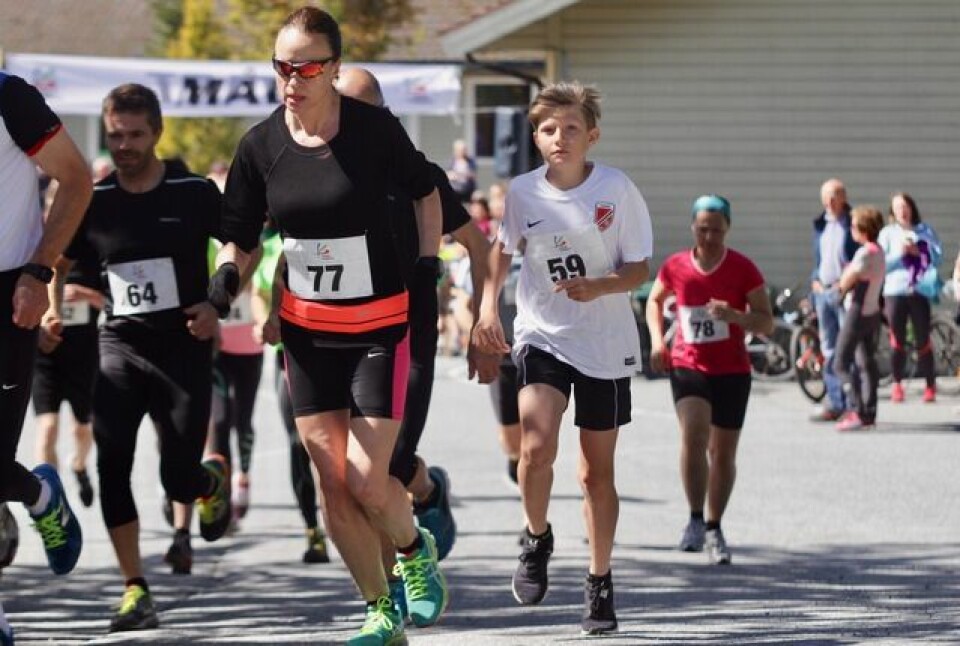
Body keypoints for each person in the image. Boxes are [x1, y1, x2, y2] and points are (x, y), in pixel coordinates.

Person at [214, 9, 448, 644]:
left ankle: (412, 546)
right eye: (283, 66)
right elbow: (239, 237)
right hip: (308, 336)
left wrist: (426, 266)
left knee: (372, 481)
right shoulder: (261, 146)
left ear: (335, 69)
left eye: (308, 66)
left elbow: (427, 193)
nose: (294, 78)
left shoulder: (373, 132)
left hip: (378, 328)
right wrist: (226, 278)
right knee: (334, 490)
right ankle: (380, 610)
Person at [43, 83, 232, 632]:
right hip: (118, 347)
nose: (123, 145)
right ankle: (135, 588)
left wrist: (217, 301)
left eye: (135, 135)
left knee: (177, 478)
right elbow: (58, 259)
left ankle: (207, 484)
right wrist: (54, 312)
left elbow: (234, 245)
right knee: (112, 466)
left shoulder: (193, 191)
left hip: (183, 349)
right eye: (114, 135)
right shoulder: (95, 199)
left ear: (158, 133)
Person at [473, 81, 652, 635]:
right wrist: (486, 309)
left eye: (571, 128)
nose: (560, 137)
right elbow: (501, 253)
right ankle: (536, 536)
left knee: (595, 473)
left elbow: (639, 268)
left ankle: (599, 580)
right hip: (542, 333)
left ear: (591, 135)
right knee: (535, 442)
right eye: (548, 129)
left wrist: (601, 286)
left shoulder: (617, 190)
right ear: (536, 137)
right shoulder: (523, 193)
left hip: (603, 342)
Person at [335, 65, 500, 617]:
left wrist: (482, 322)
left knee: (386, 465)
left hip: (410, 337)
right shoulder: (323, 172)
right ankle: (390, 591)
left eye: (363, 112)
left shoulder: (416, 174)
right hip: (346, 341)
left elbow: (480, 249)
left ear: (385, 116)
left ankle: (425, 494)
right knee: (363, 475)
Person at [0, 71, 91, 646]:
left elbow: (76, 178)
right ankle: (36, 494)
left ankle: (41, 496)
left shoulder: (9, 97)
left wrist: (39, 271)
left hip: (9, 292)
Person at [647, 195, 774, 566]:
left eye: (716, 230)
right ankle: (695, 519)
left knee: (722, 452)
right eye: (702, 229)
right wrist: (658, 341)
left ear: (727, 229)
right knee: (694, 434)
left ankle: (715, 525)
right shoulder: (676, 266)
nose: (709, 237)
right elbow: (654, 301)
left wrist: (735, 316)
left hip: (732, 370)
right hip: (689, 365)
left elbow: (766, 321)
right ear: (693, 228)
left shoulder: (743, 269)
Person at [251, 223, 331, 564]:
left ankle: (353, 519)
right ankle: (313, 529)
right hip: (291, 357)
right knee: (299, 444)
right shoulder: (270, 247)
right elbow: (258, 292)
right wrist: (265, 321)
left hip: (341, 349)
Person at [32, 180, 102, 508]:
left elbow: (115, 299)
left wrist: (85, 295)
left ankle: (78, 465)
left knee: (82, 429)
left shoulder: (91, 246)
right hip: (44, 351)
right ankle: (53, 498)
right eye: (52, 206)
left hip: (83, 349)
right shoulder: (31, 243)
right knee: (46, 429)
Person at [877, 192, 943, 403]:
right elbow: (879, 263)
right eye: (897, 208)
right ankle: (897, 384)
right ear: (892, 212)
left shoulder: (924, 231)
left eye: (905, 207)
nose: (902, 211)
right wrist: (900, 255)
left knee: (922, 338)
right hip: (895, 291)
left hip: (919, 290)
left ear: (912, 208)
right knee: (897, 340)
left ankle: (930, 385)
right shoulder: (887, 234)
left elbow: (938, 257)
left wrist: (920, 252)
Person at [809, 178, 859, 422]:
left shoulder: (853, 223)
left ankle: (853, 403)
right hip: (823, 291)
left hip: (845, 291)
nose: (830, 201)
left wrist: (848, 283)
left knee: (846, 349)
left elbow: (860, 256)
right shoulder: (820, 225)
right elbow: (819, 259)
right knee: (828, 348)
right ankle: (835, 401)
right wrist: (814, 280)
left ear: (844, 198)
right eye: (827, 196)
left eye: (835, 195)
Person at [834, 206, 887, 430]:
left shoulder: (865, 253)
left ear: (864, 228)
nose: (852, 229)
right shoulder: (880, 251)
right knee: (866, 362)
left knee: (840, 362)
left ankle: (855, 409)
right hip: (872, 311)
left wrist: (842, 282)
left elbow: (846, 280)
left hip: (857, 311)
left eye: (854, 225)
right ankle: (869, 412)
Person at [446, 138, 477, 202]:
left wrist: (464, 174)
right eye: (460, 150)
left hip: (468, 189)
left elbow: (473, 174)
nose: (462, 152)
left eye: (464, 150)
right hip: (455, 189)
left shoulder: (470, 161)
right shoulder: (452, 161)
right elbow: (447, 174)